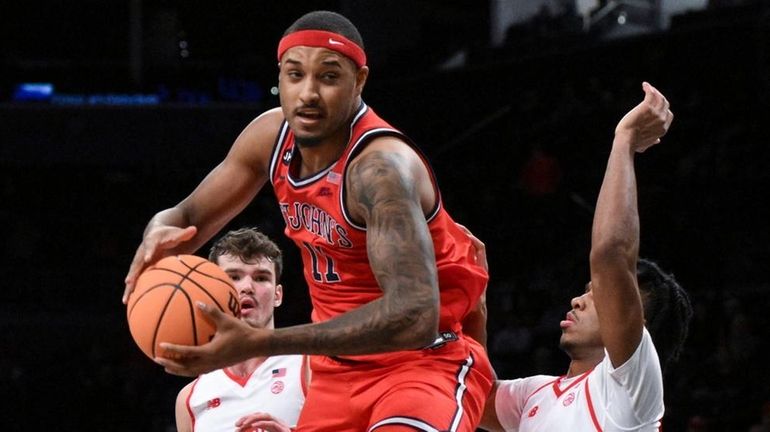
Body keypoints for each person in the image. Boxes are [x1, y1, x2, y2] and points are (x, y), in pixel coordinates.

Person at [124, 10, 493, 432]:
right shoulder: (270, 136)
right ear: (279, 78)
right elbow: (185, 215)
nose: (308, 94)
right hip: (338, 374)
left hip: (424, 363)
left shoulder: (380, 169)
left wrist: (264, 341)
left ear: (360, 81)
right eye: (294, 75)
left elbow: (413, 317)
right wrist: (157, 234)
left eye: (329, 77)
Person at [480, 82, 693, 431]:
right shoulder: (535, 394)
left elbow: (611, 255)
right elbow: (471, 393)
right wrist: (474, 299)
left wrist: (624, 140)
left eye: (599, 296)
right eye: (587, 290)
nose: (579, 300)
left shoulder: (631, 389)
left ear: (636, 324)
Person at [175, 228, 307, 432]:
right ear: (212, 291)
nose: (247, 287)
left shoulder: (309, 367)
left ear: (278, 295)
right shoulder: (189, 399)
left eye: (261, 278)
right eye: (234, 277)